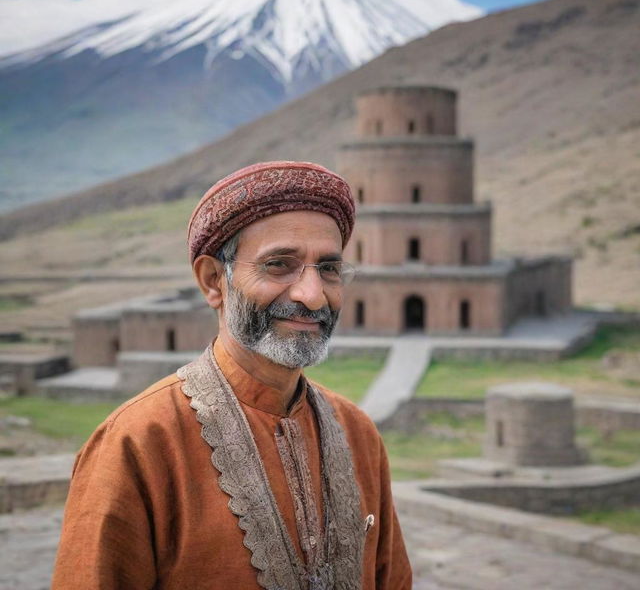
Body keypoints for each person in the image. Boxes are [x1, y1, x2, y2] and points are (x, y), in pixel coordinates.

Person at [52, 161, 412, 589]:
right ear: (212, 281)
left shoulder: (357, 434)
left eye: (329, 269)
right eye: (279, 265)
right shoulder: (137, 443)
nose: (313, 295)